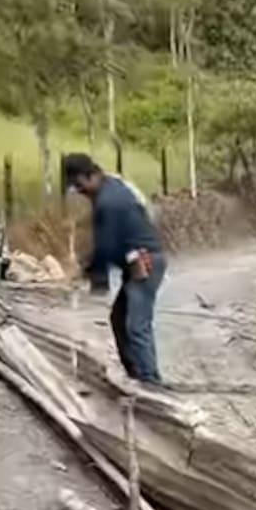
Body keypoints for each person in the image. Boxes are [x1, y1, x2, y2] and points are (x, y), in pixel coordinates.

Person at [62, 153, 166, 386]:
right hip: (137, 260)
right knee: (118, 317)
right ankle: (136, 374)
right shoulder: (113, 185)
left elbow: (106, 247)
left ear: (93, 175)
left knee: (136, 325)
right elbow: (109, 243)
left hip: (145, 261)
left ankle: (150, 382)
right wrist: (90, 266)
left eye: (80, 185)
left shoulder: (108, 203)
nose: (80, 191)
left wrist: (94, 275)